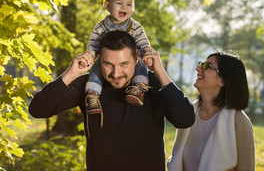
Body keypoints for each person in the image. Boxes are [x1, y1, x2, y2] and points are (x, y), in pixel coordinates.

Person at [29, 30, 195, 171]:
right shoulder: (88, 86)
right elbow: (38, 109)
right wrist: (72, 73)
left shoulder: (153, 83)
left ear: (136, 58)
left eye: (123, 64)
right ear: (99, 60)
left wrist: (160, 71)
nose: (116, 73)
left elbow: (185, 119)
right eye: (108, 64)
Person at [167, 51, 255, 171]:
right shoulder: (188, 114)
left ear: (222, 81)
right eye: (201, 64)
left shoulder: (238, 121)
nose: (198, 69)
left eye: (207, 66)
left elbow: (246, 167)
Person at [83, 0, 151, 117]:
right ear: (107, 6)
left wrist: (147, 53)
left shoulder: (135, 27)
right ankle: (92, 95)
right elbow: (93, 44)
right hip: (106, 59)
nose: (124, 7)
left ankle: (139, 88)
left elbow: (143, 43)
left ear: (133, 7)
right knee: (96, 70)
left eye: (129, 4)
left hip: (131, 60)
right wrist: (89, 55)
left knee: (141, 66)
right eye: (119, 3)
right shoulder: (101, 27)